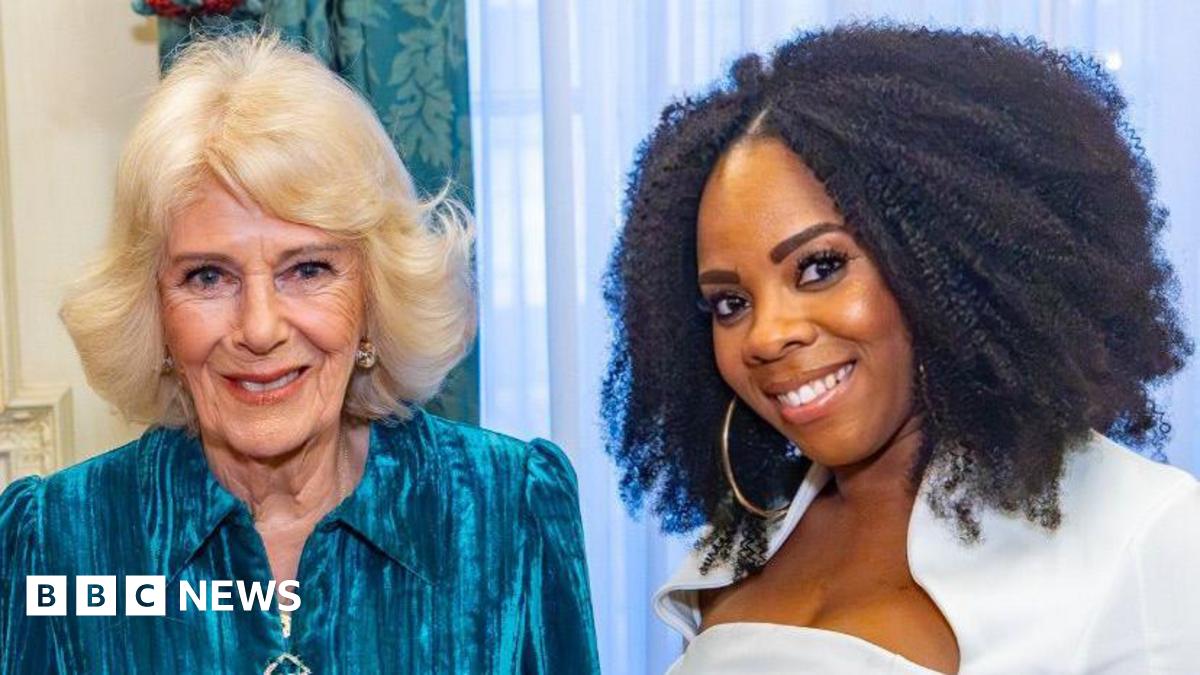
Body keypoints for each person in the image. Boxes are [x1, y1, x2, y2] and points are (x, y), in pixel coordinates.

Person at [603, 24, 1199, 673]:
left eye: (820, 266)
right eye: (730, 303)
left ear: (941, 258)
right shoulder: (739, 545)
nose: (767, 334)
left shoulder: (1145, 531)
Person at [0, 33, 599, 674]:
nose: (259, 329)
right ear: (154, 313)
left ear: (375, 294)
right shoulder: (56, 543)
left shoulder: (509, 511)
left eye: (308, 269)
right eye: (207, 276)